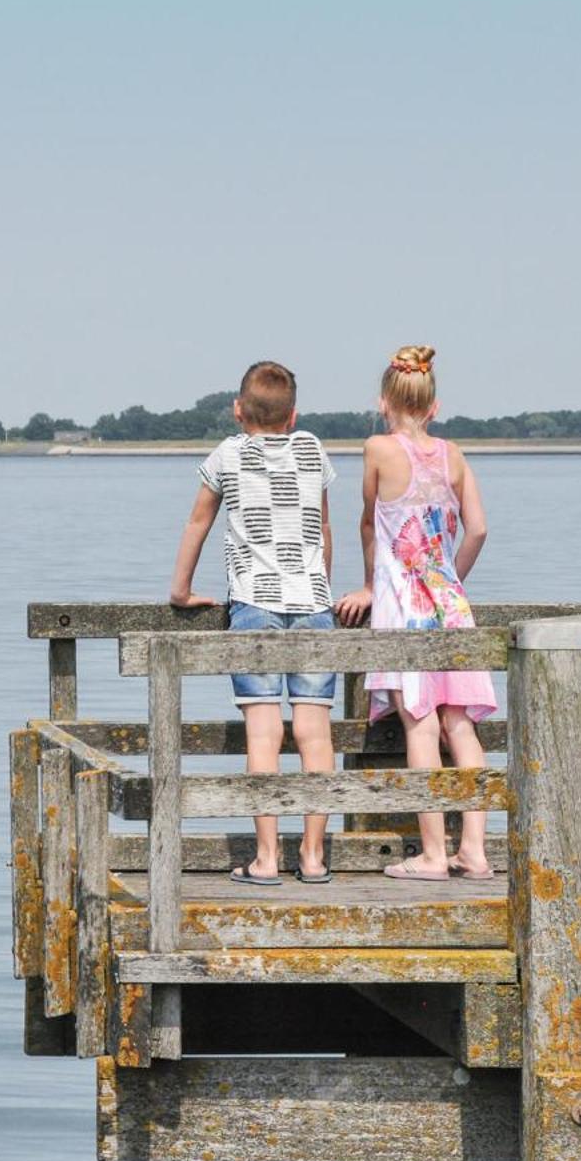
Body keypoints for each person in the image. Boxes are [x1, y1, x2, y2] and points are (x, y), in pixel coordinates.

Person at [167, 360, 338, 885]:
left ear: (238, 410)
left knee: (262, 735)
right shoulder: (312, 450)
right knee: (314, 733)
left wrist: (180, 590)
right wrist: (320, 589)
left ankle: (266, 859)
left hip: (254, 605)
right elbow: (325, 528)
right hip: (314, 604)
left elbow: (200, 520)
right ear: (293, 416)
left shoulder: (227, 453)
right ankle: (312, 857)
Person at [334, 345, 496, 880]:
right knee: (461, 726)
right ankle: (474, 848)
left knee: (421, 726)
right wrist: (450, 580)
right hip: (449, 602)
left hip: (404, 604)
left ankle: (432, 852)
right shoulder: (454, 454)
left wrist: (367, 585)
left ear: (384, 400)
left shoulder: (378, 447)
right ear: (434, 406)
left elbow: (367, 522)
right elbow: (477, 530)